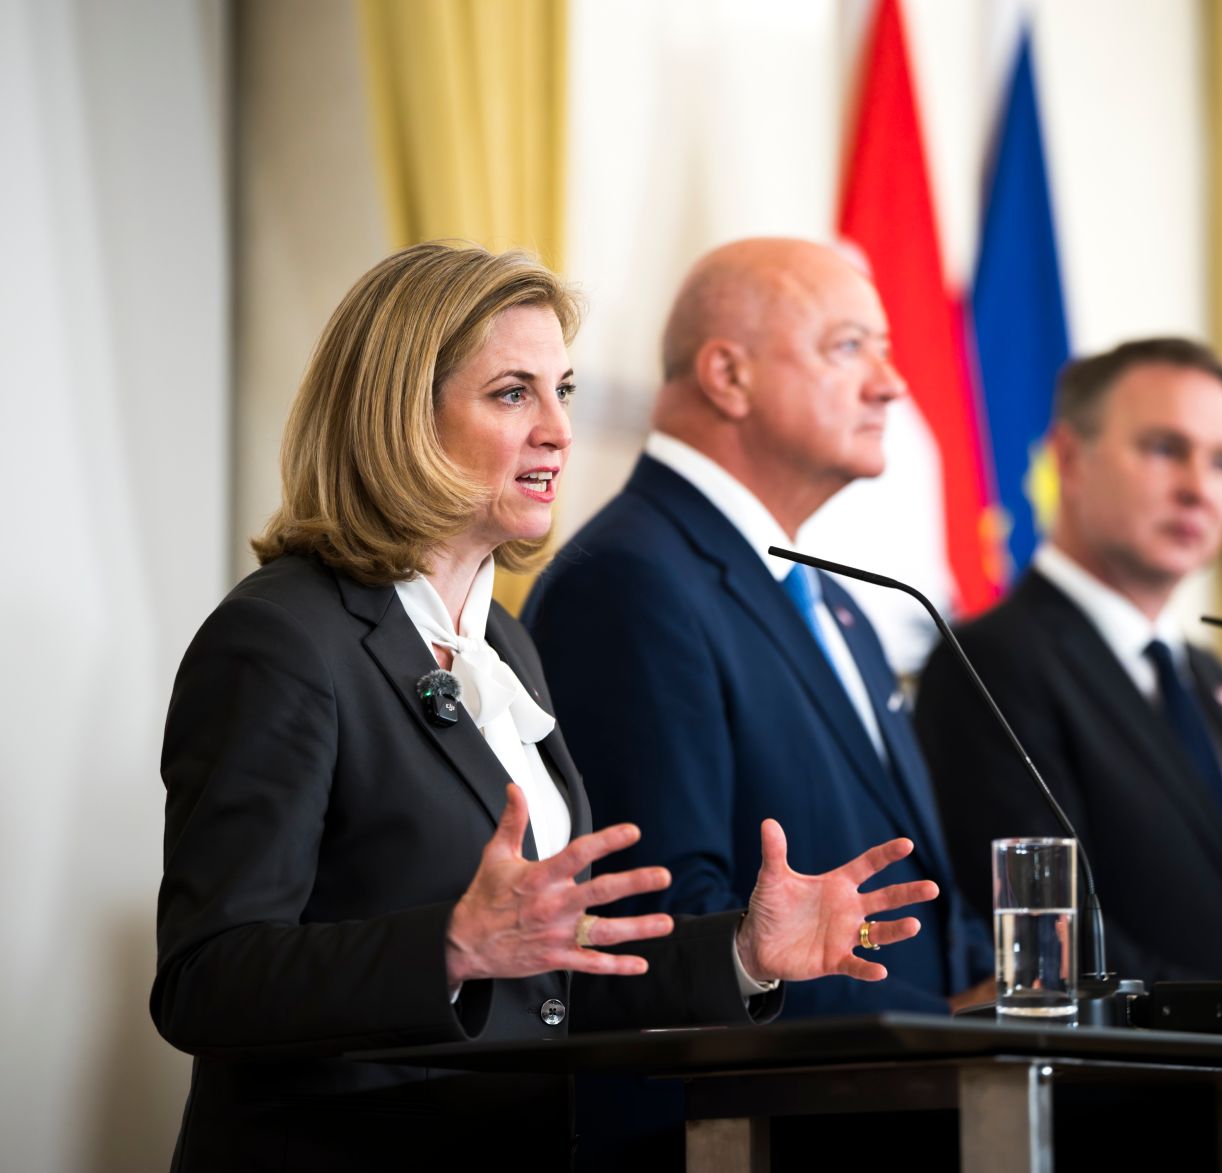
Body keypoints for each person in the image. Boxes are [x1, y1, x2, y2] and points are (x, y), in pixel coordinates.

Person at [151, 242, 939, 1171]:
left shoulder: (505, 644)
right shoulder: (282, 639)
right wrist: (449, 945)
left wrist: (742, 952)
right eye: (512, 393)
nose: (560, 430)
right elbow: (205, 980)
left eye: (562, 390)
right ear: (401, 418)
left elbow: (557, 976)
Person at [523, 238, 993, 1020]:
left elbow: (925, 901)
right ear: (728, 375)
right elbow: (660, 924)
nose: (891, 384)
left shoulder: (837, 601)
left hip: (921, 1082)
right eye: (849, 347)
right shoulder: (628, 583)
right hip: (763, 1094)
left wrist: (1004, 1000)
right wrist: (937, 1028)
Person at [913, 338, 1222, 1020]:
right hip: (1133, 1083)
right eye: (1165, 449)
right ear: (1070, 459)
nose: (1198, 488)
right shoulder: (988, 666)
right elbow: (1055, 941)